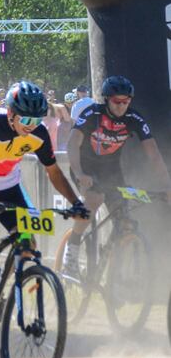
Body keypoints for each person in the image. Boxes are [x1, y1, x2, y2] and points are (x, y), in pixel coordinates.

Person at [0, 81, 86, 355]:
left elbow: (54, 172)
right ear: (10, 113)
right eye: (25, 119)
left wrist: (75, 202)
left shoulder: (40, 133)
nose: (31, 125)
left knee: (28, 246)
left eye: (37, 119)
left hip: (9, 187)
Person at [63, 75, 171, 274]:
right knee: (94, 200)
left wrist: (167, 186)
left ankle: (113, 270)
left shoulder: (134, 119)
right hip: (85, 167)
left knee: (125, 221)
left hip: (110, 170)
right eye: (117, 101)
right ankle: (71, 252)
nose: (122, 106)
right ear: (107, 99)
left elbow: (154, 155)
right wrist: (79, 172)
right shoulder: (92, 113)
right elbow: (72, 143)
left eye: (126, 101)